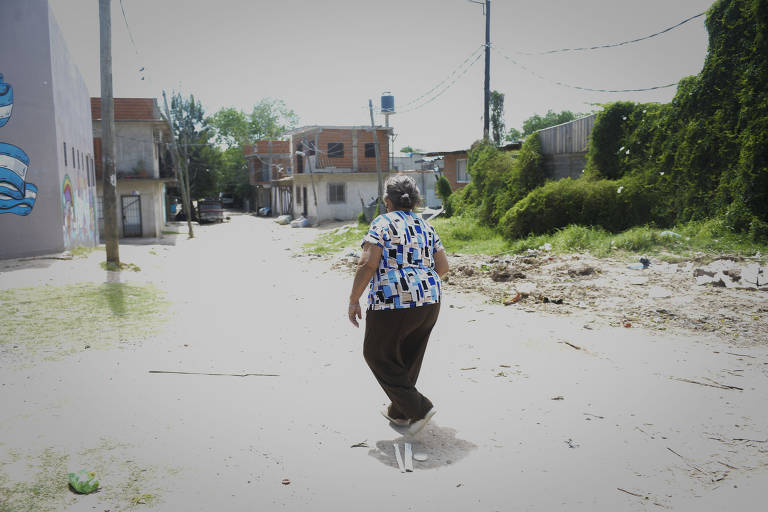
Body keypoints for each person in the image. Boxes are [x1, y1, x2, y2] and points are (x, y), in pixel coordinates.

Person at [348, 175, 449, 435]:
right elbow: (444, 267)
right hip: (430, 299)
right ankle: (399, 412)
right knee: (408, 357)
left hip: (392, 300)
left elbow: (368, 263)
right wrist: (420, 284)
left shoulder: (381, 222)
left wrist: (353, 299)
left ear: (386, 201)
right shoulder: (426, 226)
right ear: (415, 201)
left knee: (376, 354)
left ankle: (420, 409)